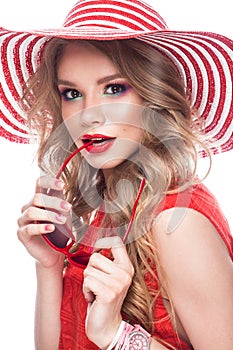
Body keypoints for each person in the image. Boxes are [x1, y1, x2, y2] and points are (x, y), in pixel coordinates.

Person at [1, 0, 232, 349]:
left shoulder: (178, 223)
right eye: (72, 93)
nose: (88, 115)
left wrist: (117, 336)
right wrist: (50, 265)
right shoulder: (103, 213)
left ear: (152, 96)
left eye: (113, 88)